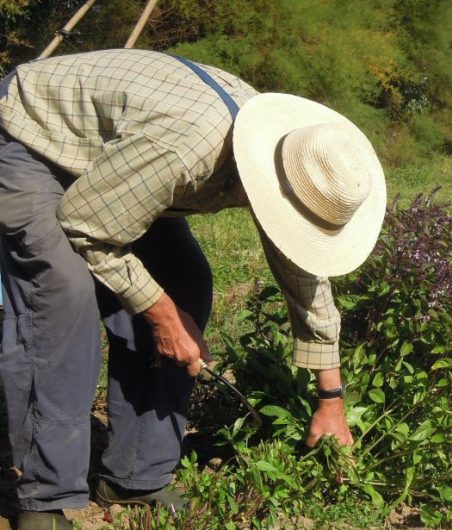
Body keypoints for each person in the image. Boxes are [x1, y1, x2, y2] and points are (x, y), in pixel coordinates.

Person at [0, 48, 386, 529]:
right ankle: (39, 497)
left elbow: (303, 276)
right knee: (62, 293)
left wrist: (331, 399)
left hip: (122, 165)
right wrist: (161, 317)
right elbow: (87, 226)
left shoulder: (282, 157)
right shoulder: (189, 150)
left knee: (186, 282)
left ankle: (135, 476)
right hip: (33, 138)